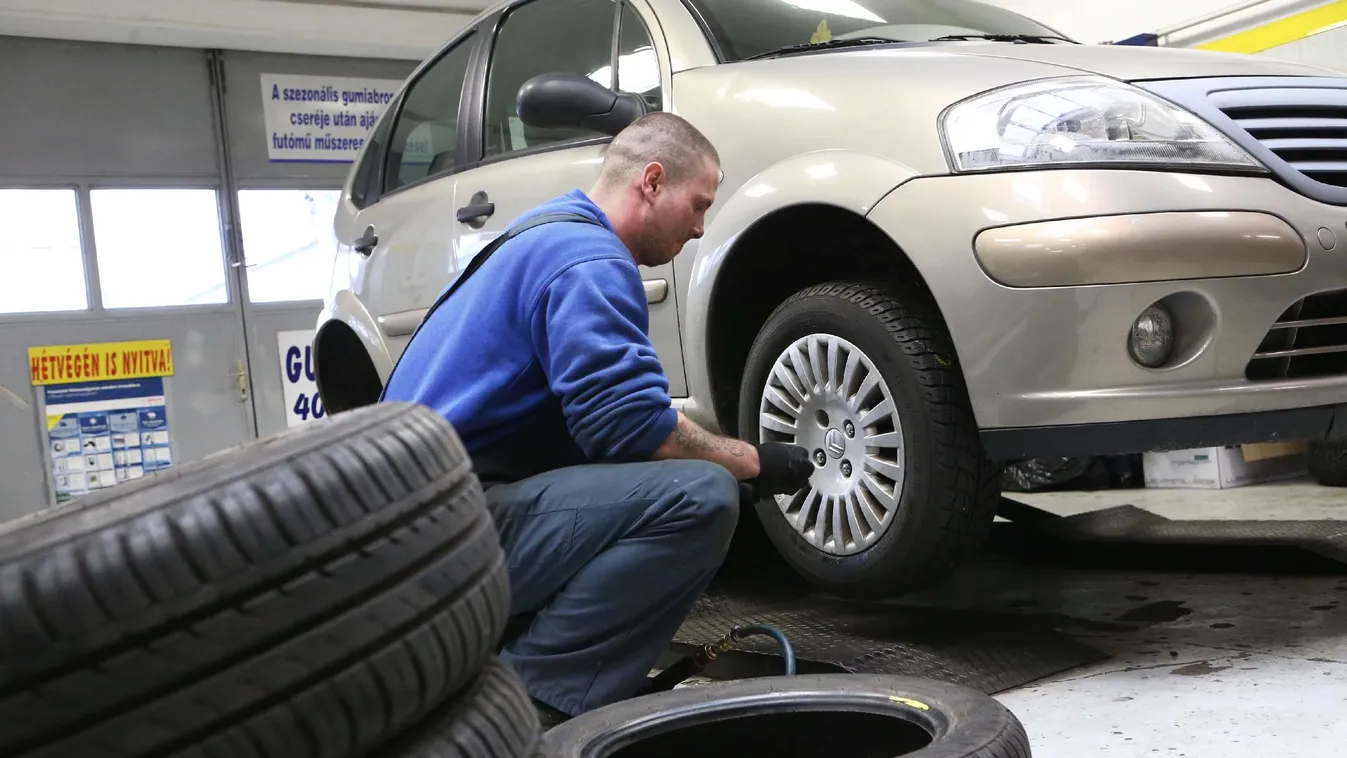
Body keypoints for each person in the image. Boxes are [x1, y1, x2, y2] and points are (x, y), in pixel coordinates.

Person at [380, 111, 813, 726]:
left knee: (646, 490)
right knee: (702, 495)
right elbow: (628, 426)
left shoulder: (538, 234)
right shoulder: (589, 259)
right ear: (652, 181)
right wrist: (754, 460)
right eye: (698, 205)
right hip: (442, 542)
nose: (699, 228)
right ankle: (530, 710)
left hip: (411, 538)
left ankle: (495, 670)